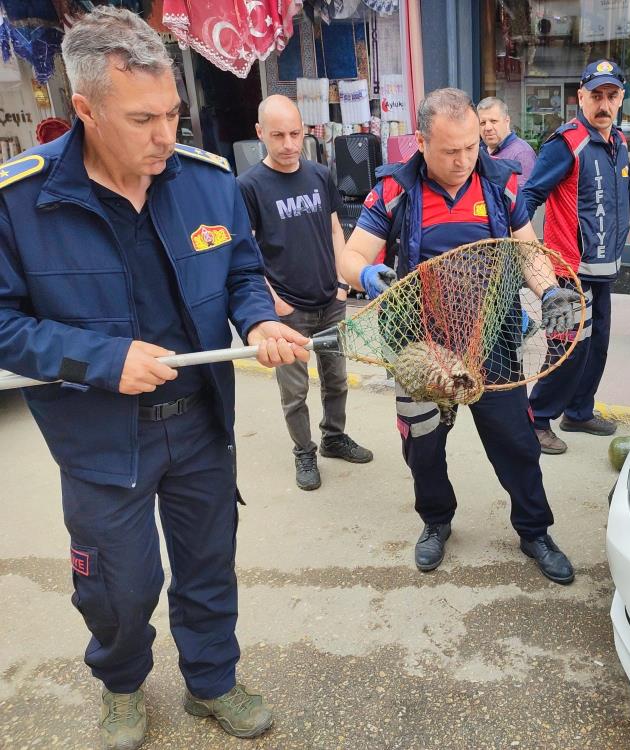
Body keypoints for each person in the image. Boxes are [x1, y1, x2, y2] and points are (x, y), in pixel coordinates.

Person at [0, 9, 310, 749]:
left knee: (209, 566)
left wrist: (258, 319)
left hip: (200, 421)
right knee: (119, 585)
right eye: (142, 119)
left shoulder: (205, 182)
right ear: (84, 110)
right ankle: (122, 683)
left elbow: (239, 271)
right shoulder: (21, 202)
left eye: (172, 112)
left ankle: (212, 682)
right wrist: (104, 362)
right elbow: (5, 325)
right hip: (101, 438)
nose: (167, 135)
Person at [337, 87, 578, 585]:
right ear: (421, 142)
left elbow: (527, 251)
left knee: (516, 442)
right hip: (421, 349)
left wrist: (550, 290)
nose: (465, 159)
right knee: (422, 444)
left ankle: (534, 531)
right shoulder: (394, 191)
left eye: (472, 147)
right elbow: (351, 254)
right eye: (451, 151)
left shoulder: (500, 185)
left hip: (493, 342)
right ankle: (436, 521)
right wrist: (366, 276)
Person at [521, 59, 630, 454]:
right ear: (580, 98)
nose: (604, 104)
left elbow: (628, 188)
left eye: (611, 96)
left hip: (604, 269)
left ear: (620, 99)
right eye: (596, 96)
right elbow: (529, 195)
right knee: (569, 347)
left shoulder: (616, 141)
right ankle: (538, 419)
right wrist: (527, 248)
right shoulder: (567, 143)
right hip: (569, 271)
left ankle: (579, 412)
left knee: (597, 344)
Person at [238, 95, 373, 492]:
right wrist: (272, 301)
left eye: (295, 133)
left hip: (330, 301)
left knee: (337, 378)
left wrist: (343, 282)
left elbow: (335, 229)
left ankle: (334, 437)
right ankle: (304, 452)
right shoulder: (248, 187)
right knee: (294, 390)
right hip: (286, 310)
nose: (288, 144)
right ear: (260, 133)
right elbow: (244, 250)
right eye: (277, 135)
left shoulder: (318, 174)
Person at [477, 95, 536, 186]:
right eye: (482, 123)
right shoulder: (478, 151)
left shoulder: (522, 154)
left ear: (507, 121)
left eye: (493, 121)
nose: (487, 128)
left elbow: (524, 198)